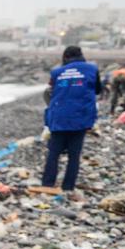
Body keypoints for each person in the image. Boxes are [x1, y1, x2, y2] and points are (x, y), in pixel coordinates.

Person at [42, 46, 101, 194]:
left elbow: (49, 92)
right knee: (74, 155)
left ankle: (47, 184)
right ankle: (68, 187)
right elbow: (98, 89)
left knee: (53, 153)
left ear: (65, 57)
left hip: (59, 117)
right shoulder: (92, 69)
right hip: (80, 117)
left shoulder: (56, 72)